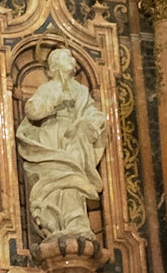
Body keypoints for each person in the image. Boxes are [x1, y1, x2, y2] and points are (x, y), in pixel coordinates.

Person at [15, 47, 106, 240]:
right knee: (57, 176)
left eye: (72, 57)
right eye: (67, 57)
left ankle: (76, 223)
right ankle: (56, 223)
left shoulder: (80, 90)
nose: (72, 61)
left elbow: (91, 111)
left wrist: (94, 121)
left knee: (72, 177)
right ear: (55, 65)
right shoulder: (48, 88)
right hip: (51, 136)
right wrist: (53, 103)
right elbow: (32, 110)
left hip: (74, 140)